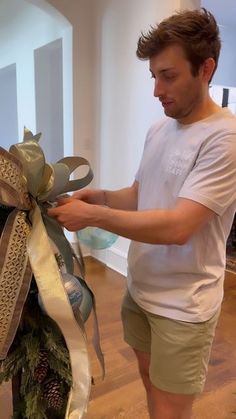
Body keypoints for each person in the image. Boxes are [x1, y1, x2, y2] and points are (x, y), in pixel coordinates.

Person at [48, 8, 236, 419]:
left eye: (168, 76)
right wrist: (95, 198)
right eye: (154, 76)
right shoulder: (159, 129)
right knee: (151, 387)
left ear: (206, 69)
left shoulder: (225, 139)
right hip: (141, 289)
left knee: (171, 410)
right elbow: (140, 194)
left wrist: (92, 218)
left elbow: (179, 226)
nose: (156, 90)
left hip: (184, 307)